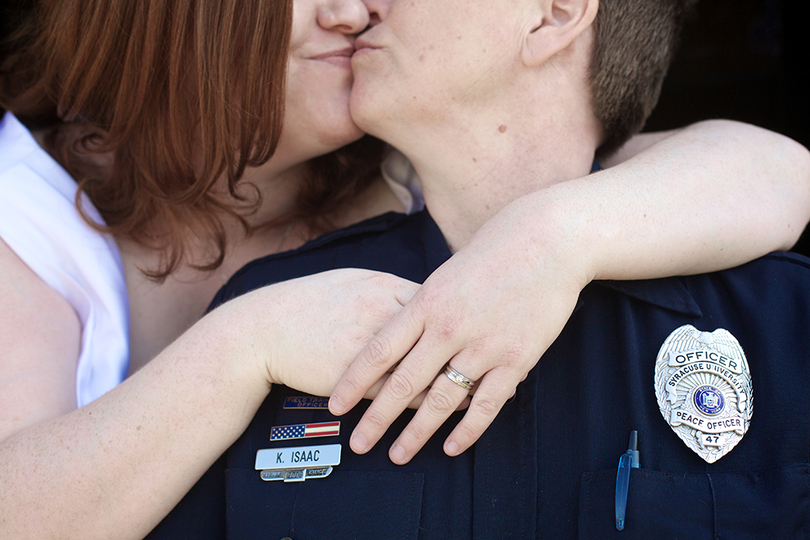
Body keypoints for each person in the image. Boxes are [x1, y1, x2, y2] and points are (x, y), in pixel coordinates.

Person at [0, 0, 809, 538]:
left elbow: (775, 170)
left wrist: (552, 237)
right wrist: (246, 345)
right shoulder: (30, 212)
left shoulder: (403, 166)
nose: (358, 11)